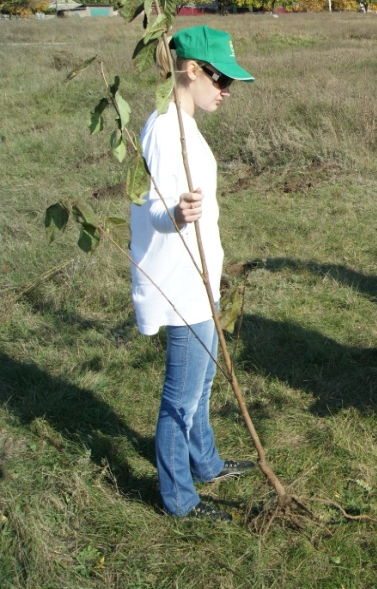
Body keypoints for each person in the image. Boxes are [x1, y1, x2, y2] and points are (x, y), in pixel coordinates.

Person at [130, 25, 258, 521]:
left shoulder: (185, 122)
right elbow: (152, 211)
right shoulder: (163, 129)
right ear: (189, 69)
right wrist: (177, 216)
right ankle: (179, 500)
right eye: (220, 79)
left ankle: (205, 462)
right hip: (181, 284)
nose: (226, 91)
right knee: (181, 397)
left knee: (202, 384)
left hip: (202, 276)